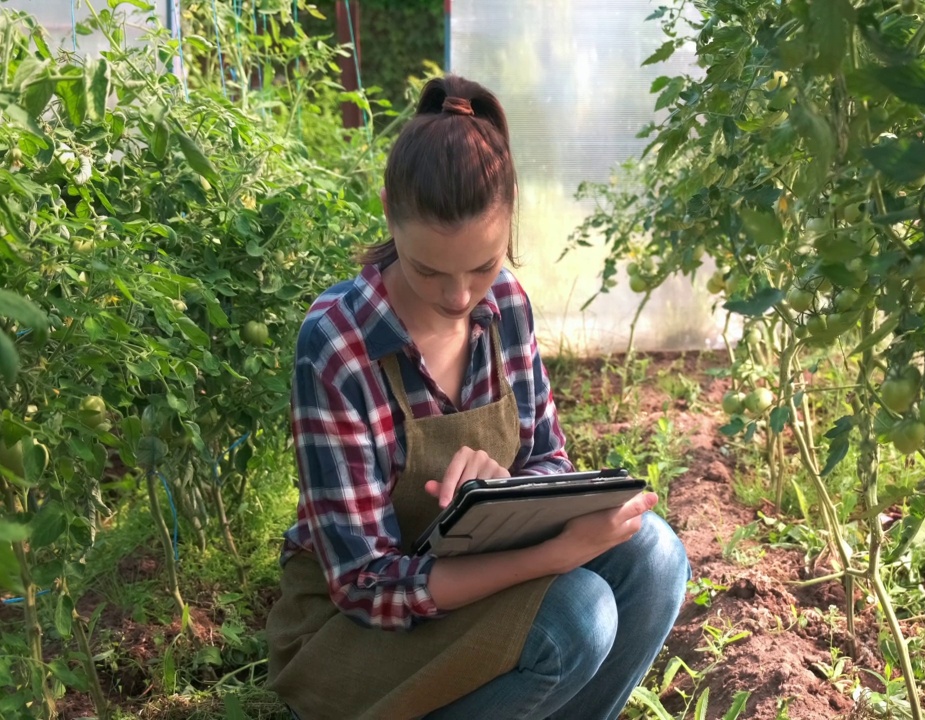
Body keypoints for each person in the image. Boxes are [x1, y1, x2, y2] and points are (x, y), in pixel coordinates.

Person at [265, 74, 690, 720]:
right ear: (388, 211)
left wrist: (503, 493)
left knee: (654, 557)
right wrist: (550, 554)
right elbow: (367, 587)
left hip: (466, 575)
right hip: (355, 631)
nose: (461, 297)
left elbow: (548, 460)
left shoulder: (505, 307)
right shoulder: (338, 345)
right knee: (576, 616)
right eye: (430, 270)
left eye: (483, 266)